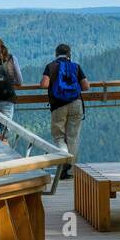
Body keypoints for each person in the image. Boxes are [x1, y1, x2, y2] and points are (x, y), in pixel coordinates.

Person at [38, 43, 90, 180]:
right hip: (76, 104)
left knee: (59, 137)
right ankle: (71, 170)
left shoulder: (51, 66)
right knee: (73, 137)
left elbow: (44, 84)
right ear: (69, 54)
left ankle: (63, 165)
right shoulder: (76, 67)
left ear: (56, 54)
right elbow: (86, 86)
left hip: (58, 106)